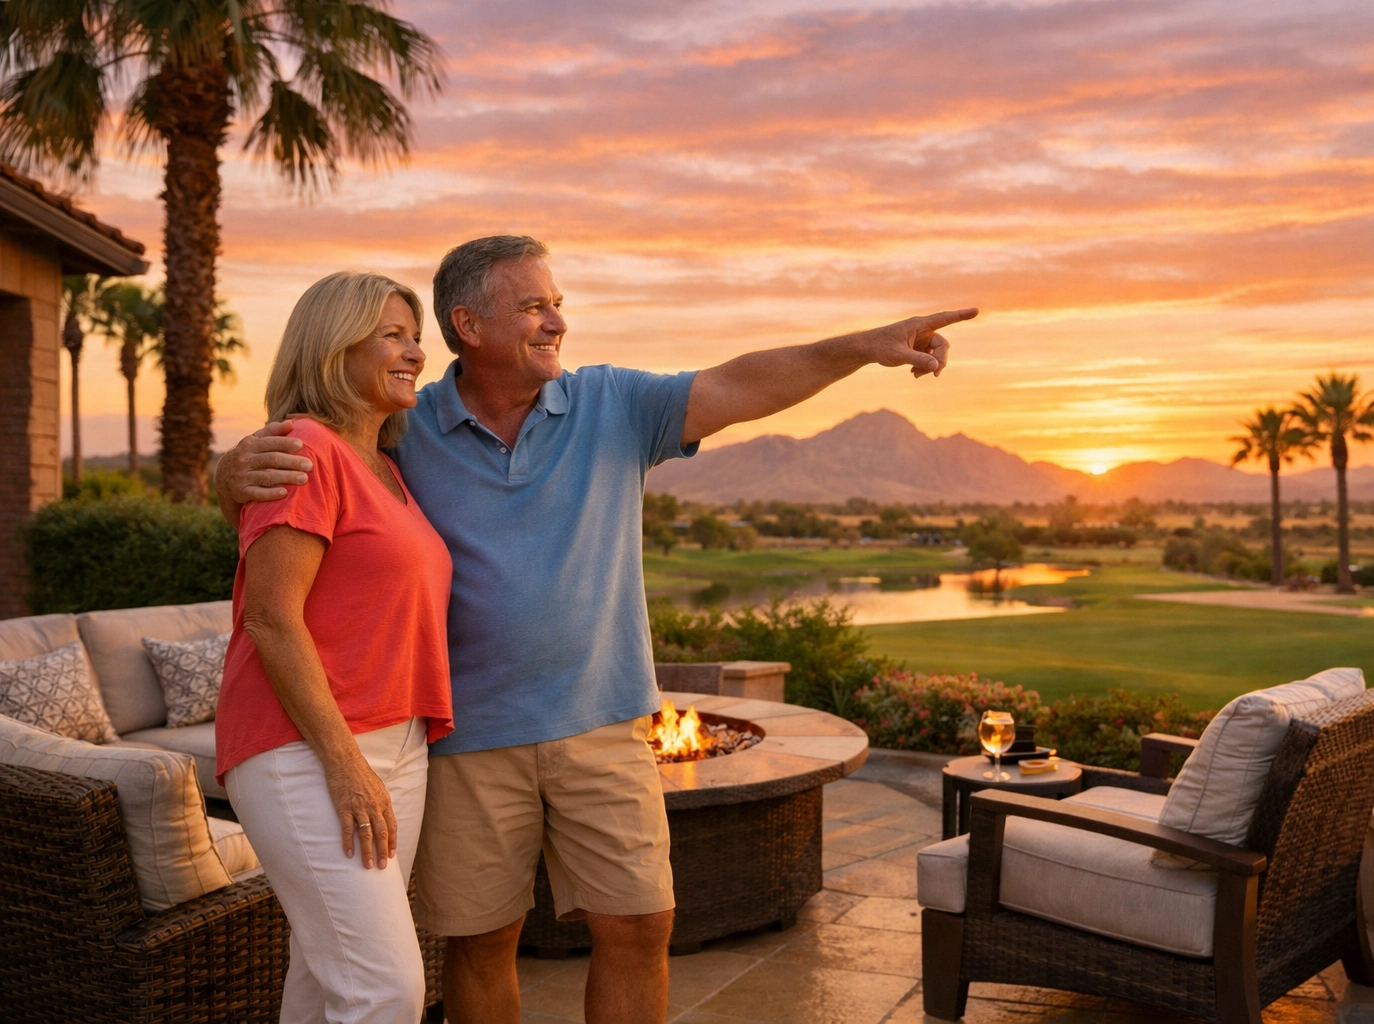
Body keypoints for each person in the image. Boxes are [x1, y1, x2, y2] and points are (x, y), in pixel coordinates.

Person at [217, 235, 975, 1024]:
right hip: (467, 736)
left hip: (603, 722)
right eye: (535, 305)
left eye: (558, 305)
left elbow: (741, 383)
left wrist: (861, 347)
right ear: (469, 324)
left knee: (641, 922)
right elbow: (306, 471)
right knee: (479, 941)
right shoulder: (407, 421)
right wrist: (227, 476)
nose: (557, 323)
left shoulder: (612, 404)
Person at [215, 271, 455, 1024]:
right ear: (332, 345)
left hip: (398, 740)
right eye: (393, 333)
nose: (416, 351)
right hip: (309, 747)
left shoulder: (385, 466)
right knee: (383, 989)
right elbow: (271, 619)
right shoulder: (305, 448)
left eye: (416, 335)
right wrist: (345, 762)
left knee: (328, 979)